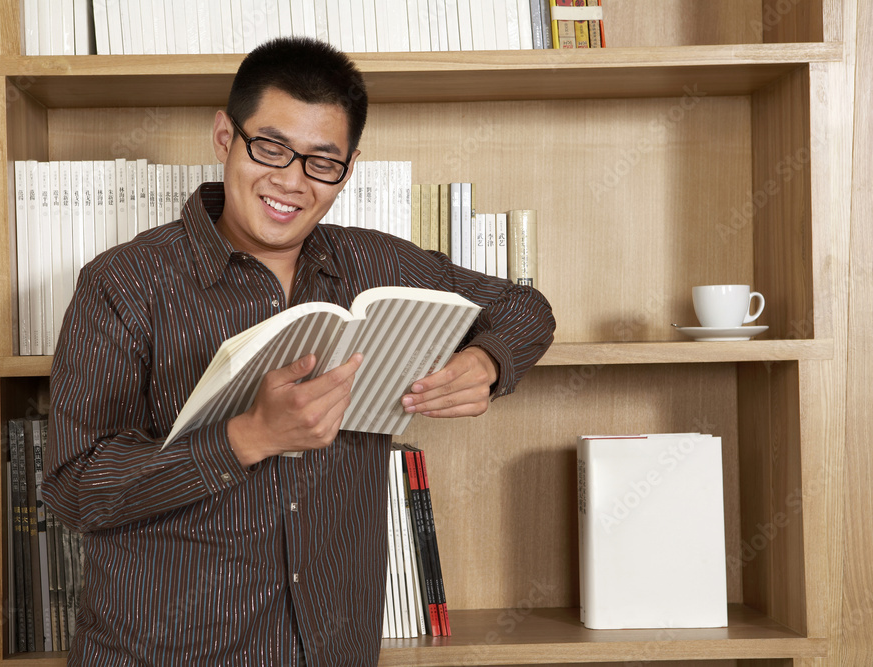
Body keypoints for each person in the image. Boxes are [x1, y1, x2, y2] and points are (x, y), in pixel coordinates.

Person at [44, 36, 555, 667]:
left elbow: (524, 307)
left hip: (333, 648)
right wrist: (246, 437)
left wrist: (489, 362)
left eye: (322, 162)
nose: (291, 181)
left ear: (349, 167)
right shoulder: (123, 283)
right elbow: (73, 490)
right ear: (225, 137)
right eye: (271, 147)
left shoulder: (374, 262)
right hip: (161, 652)